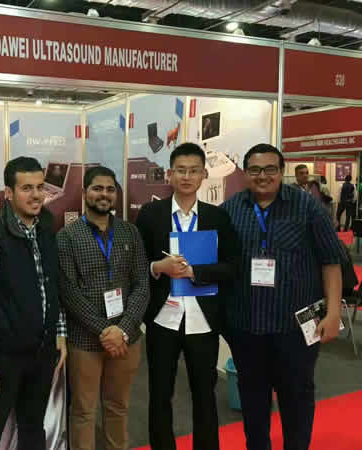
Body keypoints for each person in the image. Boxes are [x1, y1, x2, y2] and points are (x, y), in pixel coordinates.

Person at [221, 144, 342, 450]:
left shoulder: (307, 207)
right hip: (246, 325)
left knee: (297, 397)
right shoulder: (231, 209)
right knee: (252, 399)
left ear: (281, 171)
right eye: (255, 170)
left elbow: (331, 261)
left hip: (296, 327)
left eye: (270, 169)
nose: (262, 176)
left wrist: (333, 314)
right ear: (246, 173)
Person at [136, 143, 241, 450]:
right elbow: (136, 265)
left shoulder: (217, 217)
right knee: (160, 394)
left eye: (193, 170)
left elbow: (232, 266)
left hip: (202, 319)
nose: (186, 176)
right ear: (169, 174)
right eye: (180, 170)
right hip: (162, 319)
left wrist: (196, 272)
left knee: (205, 394)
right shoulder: (151, 215)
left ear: (204, 175)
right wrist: (158, 267)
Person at [0, 156, 67, 450]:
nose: (36, 195)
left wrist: (59, 332)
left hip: (42, 353)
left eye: (40, 187)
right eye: (26, 188)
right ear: (8, 193)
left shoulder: (46, 226)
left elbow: (51, 285)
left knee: (33, 428)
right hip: (4, 357)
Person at [57, 166, 149, 450]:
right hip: (85, 341)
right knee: (83, 411)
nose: (104, 194)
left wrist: (122, 330)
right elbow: (69, 293)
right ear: (84, 192)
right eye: (97, 188)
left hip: (126, 339)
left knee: (118, 407)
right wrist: (105, 330)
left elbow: (142, 283)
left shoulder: (130, 232)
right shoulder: (67, 237)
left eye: (110, 189)